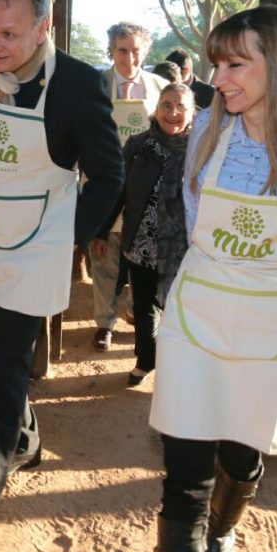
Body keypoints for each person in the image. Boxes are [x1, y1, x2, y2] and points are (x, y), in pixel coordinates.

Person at [148, 4, 277, 552]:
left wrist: (269, 298)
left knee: (242, 454)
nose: (219, 79)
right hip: (199, 311)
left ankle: (222, 528)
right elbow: (196, 219)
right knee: (185, 462)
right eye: (217, 65)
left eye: (235, 64)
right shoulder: (208, 127)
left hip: (268, 323)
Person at [0, 0, 123, 552]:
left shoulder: (78, 85)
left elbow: (109, 174)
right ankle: (27, 440)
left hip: (37, 246)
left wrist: (66, 241)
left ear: (44, 28)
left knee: (7, 374)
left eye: (9, 34)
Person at [97, 82, 194, 387]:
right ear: (156, 108)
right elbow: (118, 190)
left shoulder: (201, 151)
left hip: (184, 247)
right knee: (144, 306)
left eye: (181, 106)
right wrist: (101, 230)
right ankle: (145, 360)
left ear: (192, 113)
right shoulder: (138, 146)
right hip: (141, 243)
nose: (173, 112)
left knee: (180, 309)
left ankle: (178, 367)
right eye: (167, 105)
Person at [91, 22, 166, 353]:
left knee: (143, 255)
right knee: (103, 256)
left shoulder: (161, 88)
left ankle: (137, 313)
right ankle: (104, 323)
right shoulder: (94, 85)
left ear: (145, 51)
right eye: (123, 50)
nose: (130, 57)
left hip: (144, 189)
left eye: (136, 50)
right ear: (111, 50)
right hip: (103, 184)